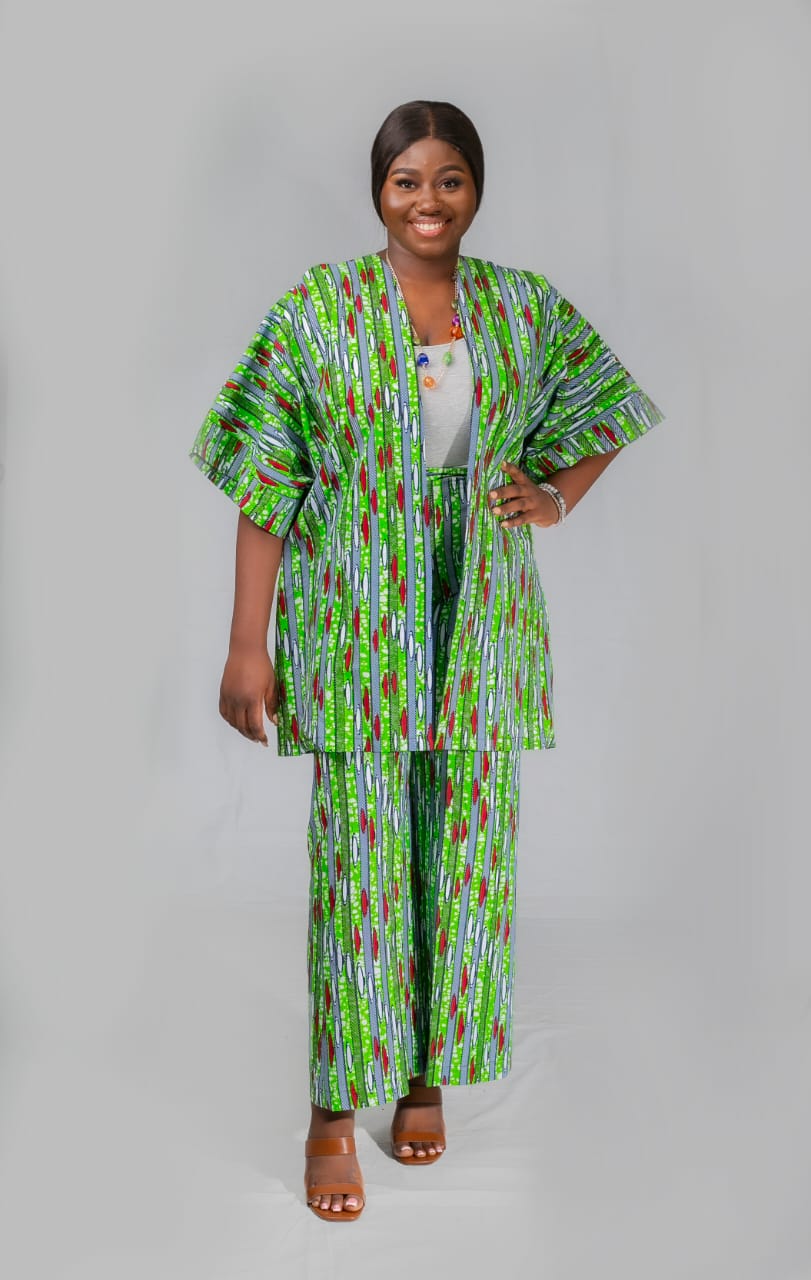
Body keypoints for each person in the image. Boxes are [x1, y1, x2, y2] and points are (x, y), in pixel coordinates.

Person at [189, 99, 665, 1222]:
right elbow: (263, 478)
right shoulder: (319, 310)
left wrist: (553, 496)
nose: (429, 200)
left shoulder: (520, 308)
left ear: (476, 188)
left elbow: (603, 407)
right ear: (377, 190)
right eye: (407, 179)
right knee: (361, 871)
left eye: (450, 178)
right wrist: (247, 643)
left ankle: (422, 1075)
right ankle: (329, 1108)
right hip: (357, 628)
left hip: (481, 631)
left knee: (462, 866)